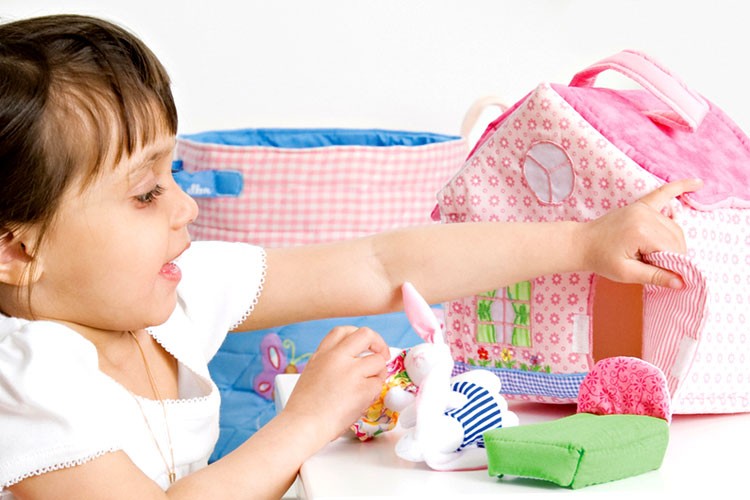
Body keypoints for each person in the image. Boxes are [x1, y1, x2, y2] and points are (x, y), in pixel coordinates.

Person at [0, 13, 701, 500]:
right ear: (16, 247)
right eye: (147, 194)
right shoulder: (26, 380)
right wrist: (307, 421)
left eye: (174, 176)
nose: (186, 207)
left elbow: (380, 263)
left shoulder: (171, 295)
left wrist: (579, 242)